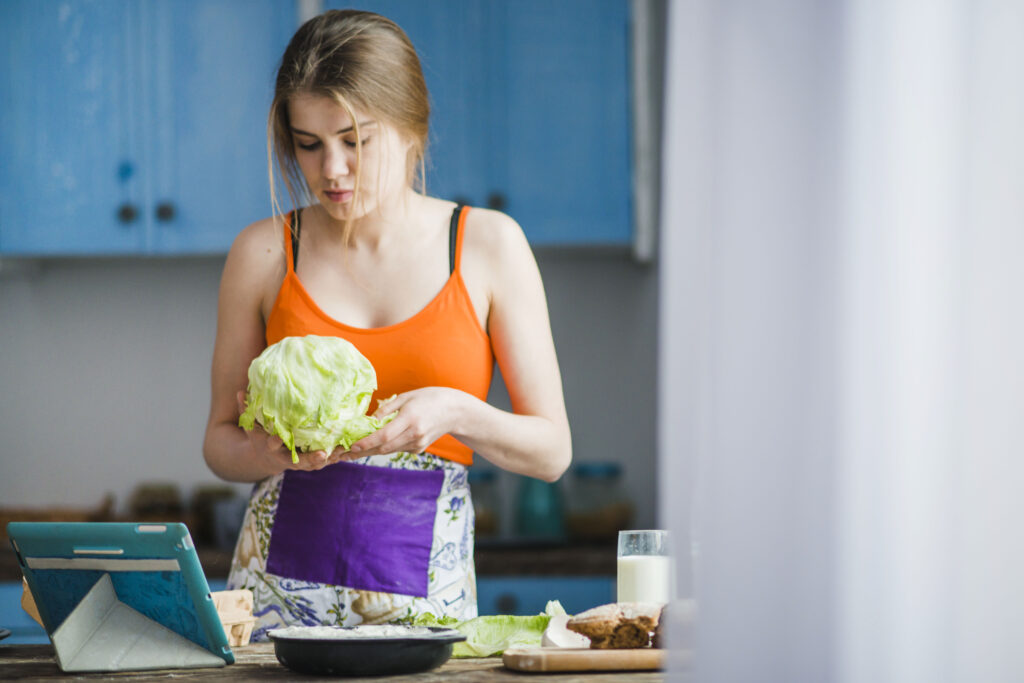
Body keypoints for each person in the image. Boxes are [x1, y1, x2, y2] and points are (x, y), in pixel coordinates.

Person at [202, 9, 571, 639]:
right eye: (308, 143)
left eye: (355, 140)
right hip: (275, 611)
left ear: (410, 127)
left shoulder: (486, 245)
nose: (332, 171)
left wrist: (454, 411)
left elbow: (551, 451)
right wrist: (265, 451)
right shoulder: (262, 253)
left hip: (428, 607)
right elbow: (218, 442)